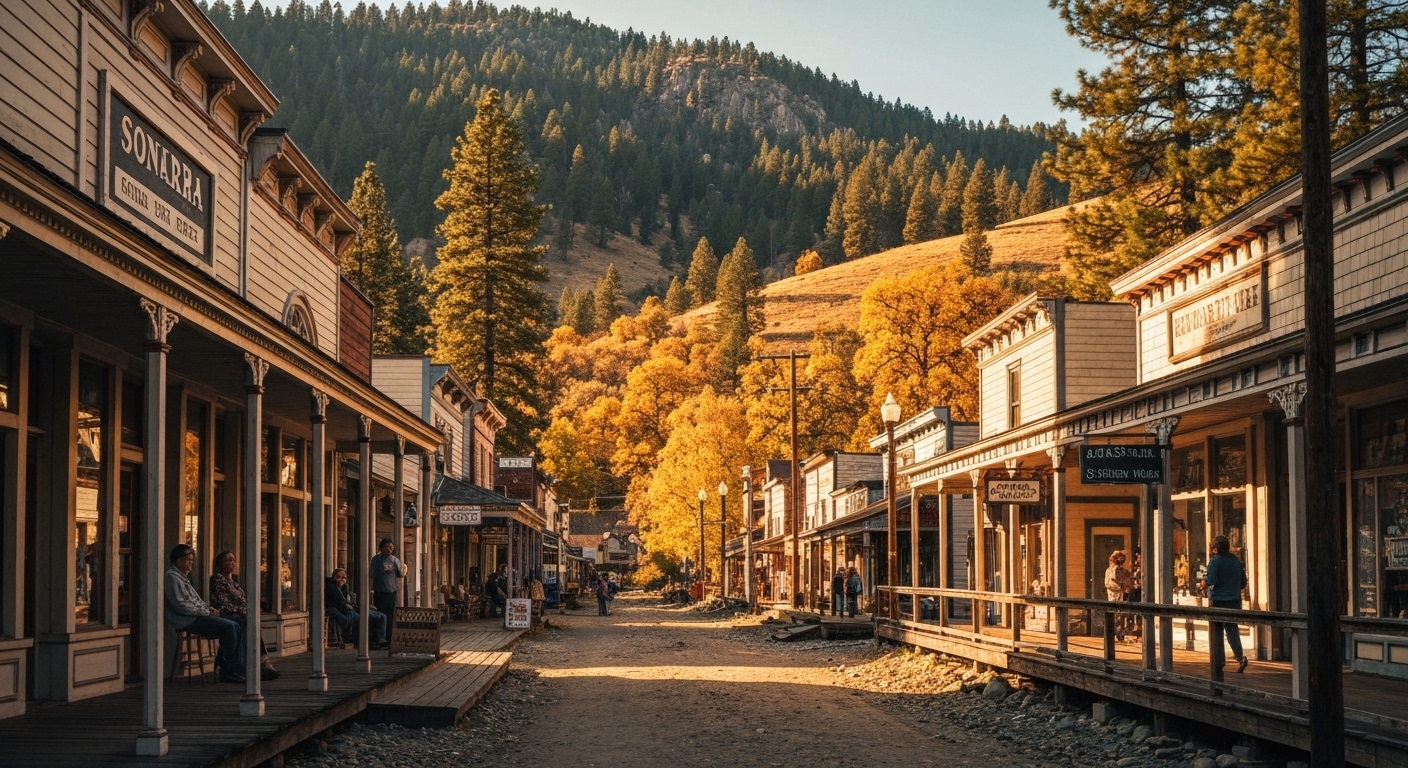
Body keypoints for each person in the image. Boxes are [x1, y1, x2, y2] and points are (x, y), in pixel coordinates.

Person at [164, 544, 245, 684]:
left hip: (196, 616)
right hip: (187, 620)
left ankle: (232, 666)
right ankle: (225, 668)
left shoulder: (183, 577)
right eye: (188, 559)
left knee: (238, 624)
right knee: (230, 627)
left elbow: (196, 601)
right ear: (178, 561)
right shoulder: (172, 577)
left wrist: (209, 609)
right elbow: (180, 605)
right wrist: (206, 612)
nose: (191, 562)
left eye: (191, 559)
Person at [208, 550, 279, 681]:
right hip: (225, 615)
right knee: (245, 622)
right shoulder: (217, 579)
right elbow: (222, 603)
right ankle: (247, 666)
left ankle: (256, 665)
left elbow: (244, 600)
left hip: (239, 615)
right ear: (220, 563)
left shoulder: (233, 581)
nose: (232, 563)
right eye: (228, 560)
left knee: (250, 622)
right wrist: (243, 610)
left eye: (233, 560)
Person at [1203, 535, 1249, 673]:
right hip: (1234, 601)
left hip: (1218, 600)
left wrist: (1204, 583)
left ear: (1215, 548)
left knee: (1216, 631)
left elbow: (1211, 581)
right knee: (1232, 630)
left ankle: (1219, 661)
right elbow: (1243, 583)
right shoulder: (1236, 561)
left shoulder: (1214, 561)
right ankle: (1240, 657)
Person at [324, 568, 388, 646]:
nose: (341, 580)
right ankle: (374, 640)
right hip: (346, 611)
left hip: (355, 608)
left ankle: (381, 639)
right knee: (362, 618)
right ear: (334, 577)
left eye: (344, 578)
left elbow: (351, 601)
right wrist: (347, 605)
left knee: (382, 616)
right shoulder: (331, 587)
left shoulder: (345, 588)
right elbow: (340, 601)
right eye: (338, 577)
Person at [369, 537, 406, 621]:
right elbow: (372, 573)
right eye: (387, 547)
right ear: (381, 548)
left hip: (391, 591)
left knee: (390, 615)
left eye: (391, 547)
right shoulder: (376, 559)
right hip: (379, 591)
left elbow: (400, 573)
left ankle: (389, 633)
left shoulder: (394, 560)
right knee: (380, 613)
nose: (389, 549)